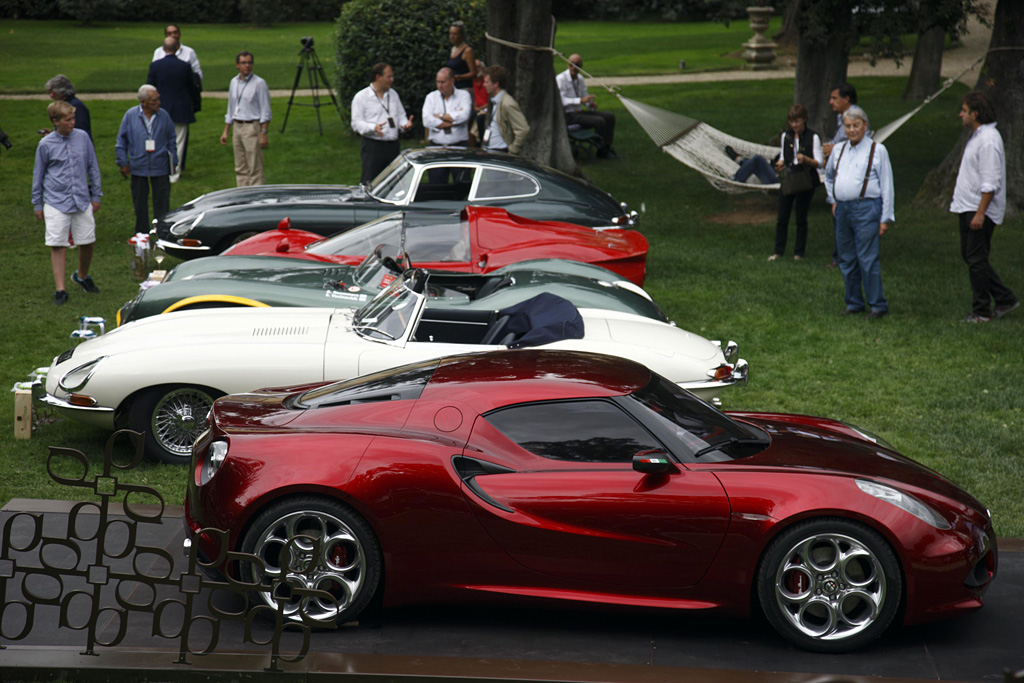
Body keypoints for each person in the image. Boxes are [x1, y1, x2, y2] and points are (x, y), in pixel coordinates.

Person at [949, 91, 1018, 323]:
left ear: (975, 113)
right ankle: (1005, 298)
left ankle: (982, 311)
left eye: (964, 110)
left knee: (976, 259)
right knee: (971, 257)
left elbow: (991, 181)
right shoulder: (978, 136)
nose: (961, 114)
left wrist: (980, 212)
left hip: (979, 209)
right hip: (967, 206)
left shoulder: (988, 140)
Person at [824, 105, 893, 319]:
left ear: (865, 126)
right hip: (843, 209)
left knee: (867, 258)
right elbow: (828, 176)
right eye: (848, 126)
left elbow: (887, 185)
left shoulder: (877, 150)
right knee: (846, 257)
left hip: (867, 208)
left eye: (856, 125)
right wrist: (833, 199)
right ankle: (854, 302)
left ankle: (877, 305)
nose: (852, 130)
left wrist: (885, 218)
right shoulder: (839, 149)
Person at [32, 100, 102, 304]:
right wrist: (37, 203)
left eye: (73, 118)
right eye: (68, 119)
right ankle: (60, 290)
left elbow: (93, 166)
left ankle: (82, 276)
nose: (73, 122)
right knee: (58, 244)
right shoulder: (45, 145)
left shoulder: (83, 138)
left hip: (81, 199)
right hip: (55, 201)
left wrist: (96, 195)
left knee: (87, 241)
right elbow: (39, 174)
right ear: (55, 121)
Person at [116, 85, 177, 235]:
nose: (159, 102)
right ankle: (142, 233)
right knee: (139, 203)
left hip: (160, 166)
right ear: (144, 102)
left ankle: (162, 231)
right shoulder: (130, 116)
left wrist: (173, 161)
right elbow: (121, 141)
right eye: (155, 100)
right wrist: (123, 162)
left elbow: (172, 139)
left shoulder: (164, 116)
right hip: (138, 166)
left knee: (162, 202)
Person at [769, 104, 823, 261]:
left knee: (801, 217)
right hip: (789, 180)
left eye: (797, 122)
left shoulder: (813, 137)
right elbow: (785, 157)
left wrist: (806, 160)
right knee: (782, 217)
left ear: (804, 120)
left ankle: (798, 252)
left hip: (805, 181)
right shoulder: (786, 136)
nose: (794, 125)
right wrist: (781, 163)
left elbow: (819, 162)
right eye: (791, 122)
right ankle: (778, 251)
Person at [148, 37, 200, 183]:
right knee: (178, 141)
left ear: (163, 49)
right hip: (181, 108)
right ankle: (174, 173)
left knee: (158, 139)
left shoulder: (155, 66)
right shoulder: (184, 66)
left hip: (160, 108)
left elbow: (149, 88)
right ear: (177, 48)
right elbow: (191, 88)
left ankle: (159, 169)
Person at [351, 63, 413, 184]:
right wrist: (373, 127)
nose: (392, 80)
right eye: (389, 77)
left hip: (393, 146)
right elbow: (356, 123)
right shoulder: (362, 97)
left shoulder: (393, 94)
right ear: (378, 77)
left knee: (394, 182)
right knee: (371, 181)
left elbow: (401, 116)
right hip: (373, 146)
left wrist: (405, 124)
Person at [221, 51, 271, 186]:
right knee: (240, 166)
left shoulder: (259, 83)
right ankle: (242, 195)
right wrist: (226, 130)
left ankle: (257, 196)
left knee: (254, 166)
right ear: (237, 65)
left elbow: (265, 110)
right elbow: (231, 107)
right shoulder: (233, 82)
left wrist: (263, 133)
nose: (247, 66)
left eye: (249, 63)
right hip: (237, 126)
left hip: (252, 126)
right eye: (243, 63)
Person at [822, 82, 858, 268]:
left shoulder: (854, 118)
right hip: (839, 176)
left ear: (847, 99)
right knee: (839, 217)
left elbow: (859, 145)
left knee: (843, 218)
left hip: (849, 178)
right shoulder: (842, 118)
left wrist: (834, 148)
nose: (830, 102)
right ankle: (841, 257)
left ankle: (843, 258)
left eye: (834, 98)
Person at [555, 54, 616, 158]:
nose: (574, 67)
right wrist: (581, 101)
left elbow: (585, 96)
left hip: (579, 113)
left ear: (581, 66)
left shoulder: (580, 79)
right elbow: (561, 100)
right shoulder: (561, 79)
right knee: (599, 121)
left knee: (610, 116)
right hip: (568, 115)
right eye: (571, 64)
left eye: (577, 65)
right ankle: (601, 150)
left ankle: (606, 146)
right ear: (567, 65)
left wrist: (590, 104)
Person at [480, 65, 529, 155]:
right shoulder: (495, 101)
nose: (484, 85)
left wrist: (513, 149)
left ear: (496, 84)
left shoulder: (507, 103)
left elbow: (523, 129)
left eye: (487, 82)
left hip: (501, 151)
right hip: (491, 150)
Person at [422, 68, 472, 147]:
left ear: (452, 81)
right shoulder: (431, 97)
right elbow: (426, 120)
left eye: (443, 82)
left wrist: (440, 116)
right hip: (436, 146)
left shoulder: (464, 95)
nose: (440, 86)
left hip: (460, 145)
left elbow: (464, 116)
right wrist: (453, 122)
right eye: (438, 82)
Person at [43, 74, 91, 141]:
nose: (51, 96)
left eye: (53, 93)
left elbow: (77, 134)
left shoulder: (76, 107)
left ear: (61, 92)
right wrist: (54, 134)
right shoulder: (70, 104)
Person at [445, 21, 476, 91]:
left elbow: (474, 73)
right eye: (450, 34)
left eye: (455, 34)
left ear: (462, 36)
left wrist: (459, 77)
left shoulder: (467, 51)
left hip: (464, 88)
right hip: (454, 89)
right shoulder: (453, 49)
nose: (452, 37)